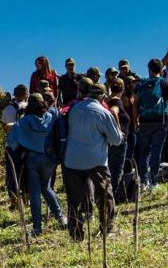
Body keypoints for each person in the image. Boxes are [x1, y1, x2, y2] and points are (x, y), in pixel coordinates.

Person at [63, 83, 123, 241]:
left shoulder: (73, 109)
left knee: (73, 200)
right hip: (96, 161)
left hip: (72, 161)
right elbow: (116, 140)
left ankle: (76, 234)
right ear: (103, 96)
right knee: (104, 195)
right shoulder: (103, 112)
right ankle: (106, 228)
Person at [14, 93, 68, 235]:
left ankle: (37, 227)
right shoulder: (51, 117)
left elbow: (13, 140)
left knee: (35, 193)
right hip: (48, 158)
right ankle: (61, 217)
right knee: (47, 188)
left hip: (31, 158)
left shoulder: (24, 121)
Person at [137, 58, 168, 190]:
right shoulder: (164, 83)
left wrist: (136, 119)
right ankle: (153, 182)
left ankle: (143, 182)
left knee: (144, 152)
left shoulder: (141, 84)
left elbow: (135, 104)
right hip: (160, 122)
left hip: (143, 122)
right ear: (161, 70)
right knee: (156, 152)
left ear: (149, 69)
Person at [1, 84, 29, 208]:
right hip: (26, 145)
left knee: (12, 174)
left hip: (11, 146)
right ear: (26, 94)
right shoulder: (30, 108)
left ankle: (14, 201)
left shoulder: (7, 109)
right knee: (26, 172)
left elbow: (4, 127)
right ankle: (26, 201)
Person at [107, 78, 130, 198]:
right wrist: (118, 131)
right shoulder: (116, 102)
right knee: (116, 171)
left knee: (110, 169)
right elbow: (113, 112)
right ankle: (112, 198)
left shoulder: (107, 100)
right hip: (119, 142)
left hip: (109, 141)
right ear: (122, 88)